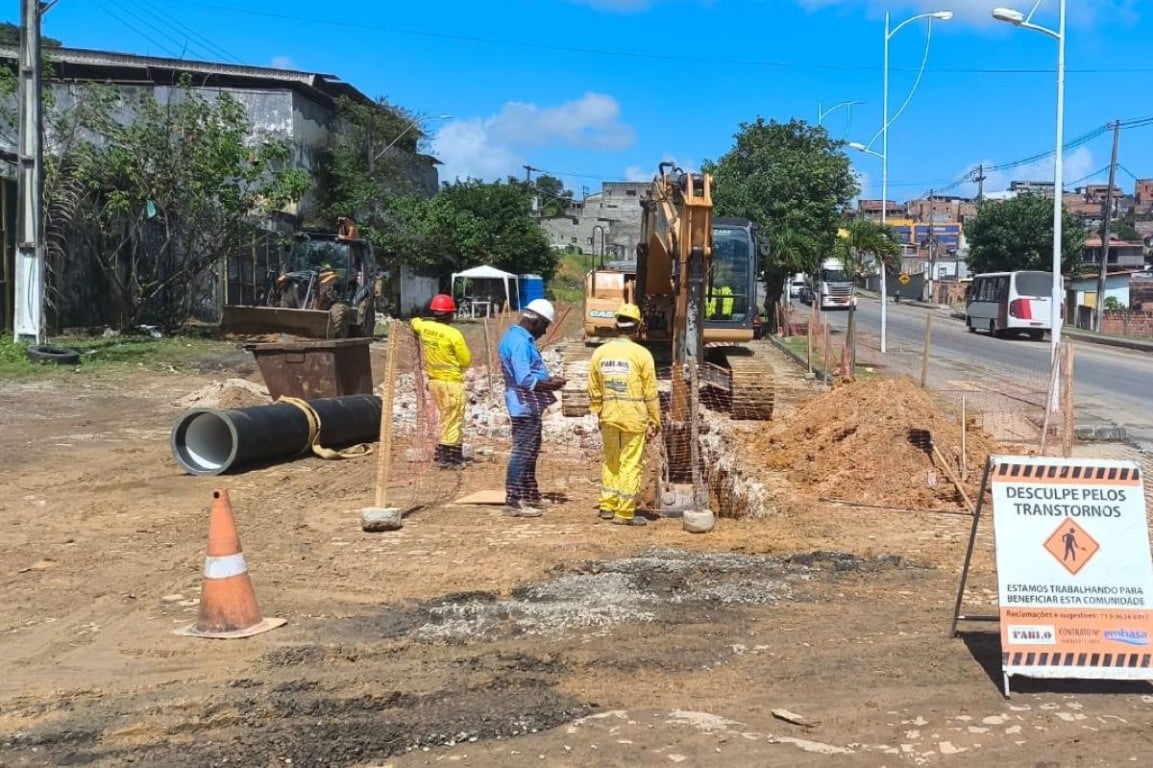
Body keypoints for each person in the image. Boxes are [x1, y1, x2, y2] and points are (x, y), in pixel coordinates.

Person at [587, 303, 661, 527]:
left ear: (616, 325)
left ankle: (607, 506)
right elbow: (650, 392)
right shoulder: (642, 355)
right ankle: (624, 512)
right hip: (633, 418)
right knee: (631, 463)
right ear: (638, 327)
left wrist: (598, 412)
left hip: (608, 416)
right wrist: (655, 419)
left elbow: (594, 388)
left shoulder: (600, 353)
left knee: (611, 460)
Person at [498, 298, 566, 517]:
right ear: (535, 322)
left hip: (527, 405)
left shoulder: (517, 338)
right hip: (523, 406)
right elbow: (524, 379)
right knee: (522, 452)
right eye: (544, 326)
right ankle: (514, 500)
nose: (544, 332)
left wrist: (548, 380)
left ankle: (529, 494)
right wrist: (550, 384)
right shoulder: (519, 342)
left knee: (531, 451)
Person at [410, 294, 471, 470]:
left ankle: (443, 453)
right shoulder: (454, 334)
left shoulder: (425, 327)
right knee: (453, 419)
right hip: (451, 383)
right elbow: (466, 360)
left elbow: (415, 323)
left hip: (434, 382)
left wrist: (415, 319)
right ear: (451, 314)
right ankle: (448, 459)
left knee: (445, 417)